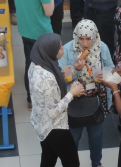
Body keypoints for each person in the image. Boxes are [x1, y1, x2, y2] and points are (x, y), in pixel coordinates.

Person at [58, 20, 115, 167]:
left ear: (94, 36)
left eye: (88, 39)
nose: (85, 43)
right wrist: (76, 71)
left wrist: (105, 75)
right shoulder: (67, 49)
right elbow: (59, 79)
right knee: (73, 137)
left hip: (97, 99)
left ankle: (96, 162)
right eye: (81, 38)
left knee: (96, 136)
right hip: (74, 101)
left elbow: (111, 68)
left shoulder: (102, 47)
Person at [29, 33, 85, 167]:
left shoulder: (34, 65)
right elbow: (53, 111)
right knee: (72, 162)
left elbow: (44, 90)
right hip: (55, 129)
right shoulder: (48, 78)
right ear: (50, 50)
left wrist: (61, 74)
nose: (63, 48)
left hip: (41, 124)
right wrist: (72, 93)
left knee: (48, 159)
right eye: (59, 47)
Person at [13, 0, 59, 110]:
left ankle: (31, 100)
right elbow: (49, 12)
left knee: (30, 65)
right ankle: (47, 97)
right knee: (47, 67)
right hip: (42, 33)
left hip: (25, 30)